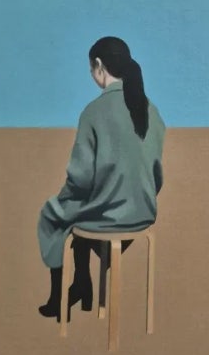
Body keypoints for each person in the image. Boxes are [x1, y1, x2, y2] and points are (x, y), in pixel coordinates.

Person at [37, 36, 165, 321]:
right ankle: (82, 282)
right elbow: (157, 175)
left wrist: (65, 199)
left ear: (98, 65)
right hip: (143, 212)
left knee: (52, 214)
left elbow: (80, 179)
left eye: (90, 69)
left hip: (107, 215)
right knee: (82, 212)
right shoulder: (151, 110)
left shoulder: (93, 112)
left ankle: (60, 296)